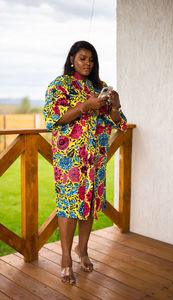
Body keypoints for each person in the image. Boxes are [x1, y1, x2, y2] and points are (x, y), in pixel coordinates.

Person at [43, 41, 127, 284]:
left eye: (91, 59)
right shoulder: (59, 85)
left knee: (89, 205)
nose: (87, 63)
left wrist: (115, 103)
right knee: (69, 207)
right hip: (70, 159)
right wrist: (85, 106)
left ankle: (84, 250)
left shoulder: (99, 86)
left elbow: (118, 123)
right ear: (71, 59)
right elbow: (53, 118)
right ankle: (66, 258)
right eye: (82, 58)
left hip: (96, 158)